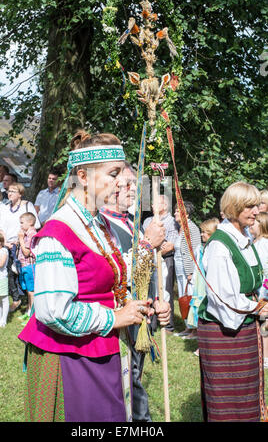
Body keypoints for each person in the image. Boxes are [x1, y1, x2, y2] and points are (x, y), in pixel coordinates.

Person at [18, 130, 167, 422]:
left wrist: (143, 303)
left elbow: (114, 277)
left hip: (101, 348)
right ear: (83, 177)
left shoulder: (100, 224)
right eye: (113, 175)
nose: (120, 184)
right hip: (71, 357)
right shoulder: (58, 232)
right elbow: (52, 311)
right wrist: (115, 318)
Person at [100, 162, 170, 422]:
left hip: (141, 317)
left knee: (135, 381)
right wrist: (146, 244)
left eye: (134, 184)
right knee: (123, 386)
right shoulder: (101, 225)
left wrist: (161, 301)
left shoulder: (133, 221)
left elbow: (146, 271)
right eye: (126, 184)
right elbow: (116, 269)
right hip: (118, 321)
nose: (133, 189)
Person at [197, 181, 268, 422]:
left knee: (247, 396)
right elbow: (224, 299)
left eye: (256, 206)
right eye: (249, 207)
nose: (256, 212)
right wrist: (258, 308)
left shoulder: (244, 237)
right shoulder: (219, 245)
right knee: (229, 400)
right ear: (234, 207)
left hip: (245, 328)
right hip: (224, 332)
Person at [0, 182, 40, 312]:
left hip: (22, 244)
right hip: (8, 244)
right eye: (8, 191)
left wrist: (21, 239)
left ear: (20, 194)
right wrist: (5, 242)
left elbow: (36, 224)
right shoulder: (5, 207)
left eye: (13, 191)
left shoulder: (27, 205)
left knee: (25, 274)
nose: (9, 193)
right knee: (9, 274)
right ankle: (16, 300)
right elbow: (1, 227)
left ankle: (30, 305)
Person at [143, 194, 178, 333]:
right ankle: (152, 320)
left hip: (166, 259)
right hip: (149, 259)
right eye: (152, 203)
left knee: (166, 289)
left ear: (164, 206)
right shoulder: (147, 222)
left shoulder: (171, 222)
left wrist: (152, 249)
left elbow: (170, 245)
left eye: (156, 203)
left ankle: (167, 323)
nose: (152, 206)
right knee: (151, 288)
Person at [187, 218, 219, 348]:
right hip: (200, 280)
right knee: (198, 305)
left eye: (205, 232)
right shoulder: (202, 247)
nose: (201, 235)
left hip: (208, 281)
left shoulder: (215, 248)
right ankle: (199, 335)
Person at [173, 201, 201, 337]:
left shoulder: (192, 228)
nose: (175, 213)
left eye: (177, 211)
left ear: (186, 214)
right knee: (183, 298)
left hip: (187, 270)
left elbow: (193, 251)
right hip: (180, 270)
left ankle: (194, 329)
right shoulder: (180, 228)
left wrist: (190, 272)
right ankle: (187, 327)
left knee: (190, 298)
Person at [249, 211, 268, 368]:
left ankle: (266, 357)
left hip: (263, 290)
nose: (251, 224)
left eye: (254, 222)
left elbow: (263, 270)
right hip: (258, 290)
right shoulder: (255, 242)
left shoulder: (263, 245)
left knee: (264, 323)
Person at [17, 212, 37, 322]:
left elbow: (26, 252)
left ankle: (32, 316)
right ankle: (29, 310)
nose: (20, 225)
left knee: (31, 291)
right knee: (28, 291)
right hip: (24, 265)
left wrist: (20, 239)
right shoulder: (26, 233)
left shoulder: (32, 234)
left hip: (30, 266)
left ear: (30, 222)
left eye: (22, 223)